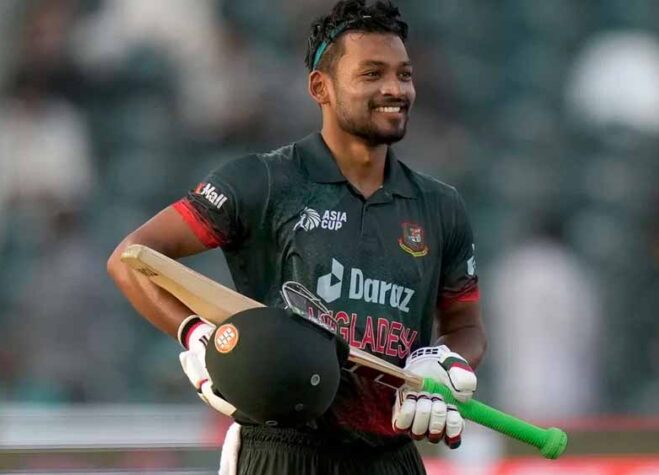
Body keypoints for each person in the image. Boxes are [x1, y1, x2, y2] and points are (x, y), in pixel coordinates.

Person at [107, 1, 486, 473]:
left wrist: (444, 363)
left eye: (403, 75)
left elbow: (467, 326)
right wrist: (197, 334)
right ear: (320, 87)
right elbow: (131, 258)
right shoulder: (263, 181)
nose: (395, 89)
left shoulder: (441, 205)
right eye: (372, 74)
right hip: (282, 450)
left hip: (392, 457)